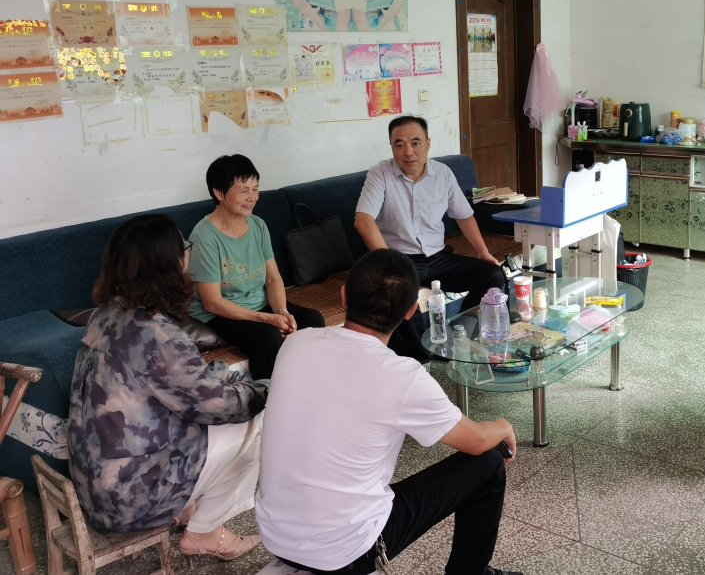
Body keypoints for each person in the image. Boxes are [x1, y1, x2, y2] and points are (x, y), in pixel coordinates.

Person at [256, 249, 521, 575]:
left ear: (343, 295)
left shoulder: (297, 343)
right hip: (346, 552)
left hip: (275, 534)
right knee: (488, 464)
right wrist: (503, 424)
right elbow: (477, 441)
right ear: (410, 311)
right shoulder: (403, 376)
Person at [68, 214, 269, 565]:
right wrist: (270, 388)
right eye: (185, 248)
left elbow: (175, 387)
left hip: (95, 488)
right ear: (172, 263)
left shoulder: (105, 314)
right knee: (257, 421)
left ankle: (188, 505)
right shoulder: (158, 336)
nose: (188, 255)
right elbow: (223, 407)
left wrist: (226, 377)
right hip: (131, 501)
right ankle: (205, 532)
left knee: (231, 389)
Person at [355, 114, 505, 361]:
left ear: (428, 143)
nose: (408, 151)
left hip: (438, 257)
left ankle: (460, 335)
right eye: (399, 144)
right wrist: (390, 263)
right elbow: (363, 221)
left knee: (493, 275)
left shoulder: (443, 173)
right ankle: (422, 360)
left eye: (415, 143)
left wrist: (482, 251)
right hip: (400, 259)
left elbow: (464, 215)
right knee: (399, 292)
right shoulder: (380, 174)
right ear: (391, 147)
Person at [187, 154, 325, 381]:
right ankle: (268, 394)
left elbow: (272, 279)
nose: (252, 198)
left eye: (255, 189)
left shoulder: (258, 225)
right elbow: (212, 303)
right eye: (244, 191)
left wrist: (282, 313)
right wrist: (267, 319)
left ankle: (309, 384)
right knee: (268, 335)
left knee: (313, 320)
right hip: (221, 313)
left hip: (258, 303)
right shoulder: (204, 237)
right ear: (219, 193)